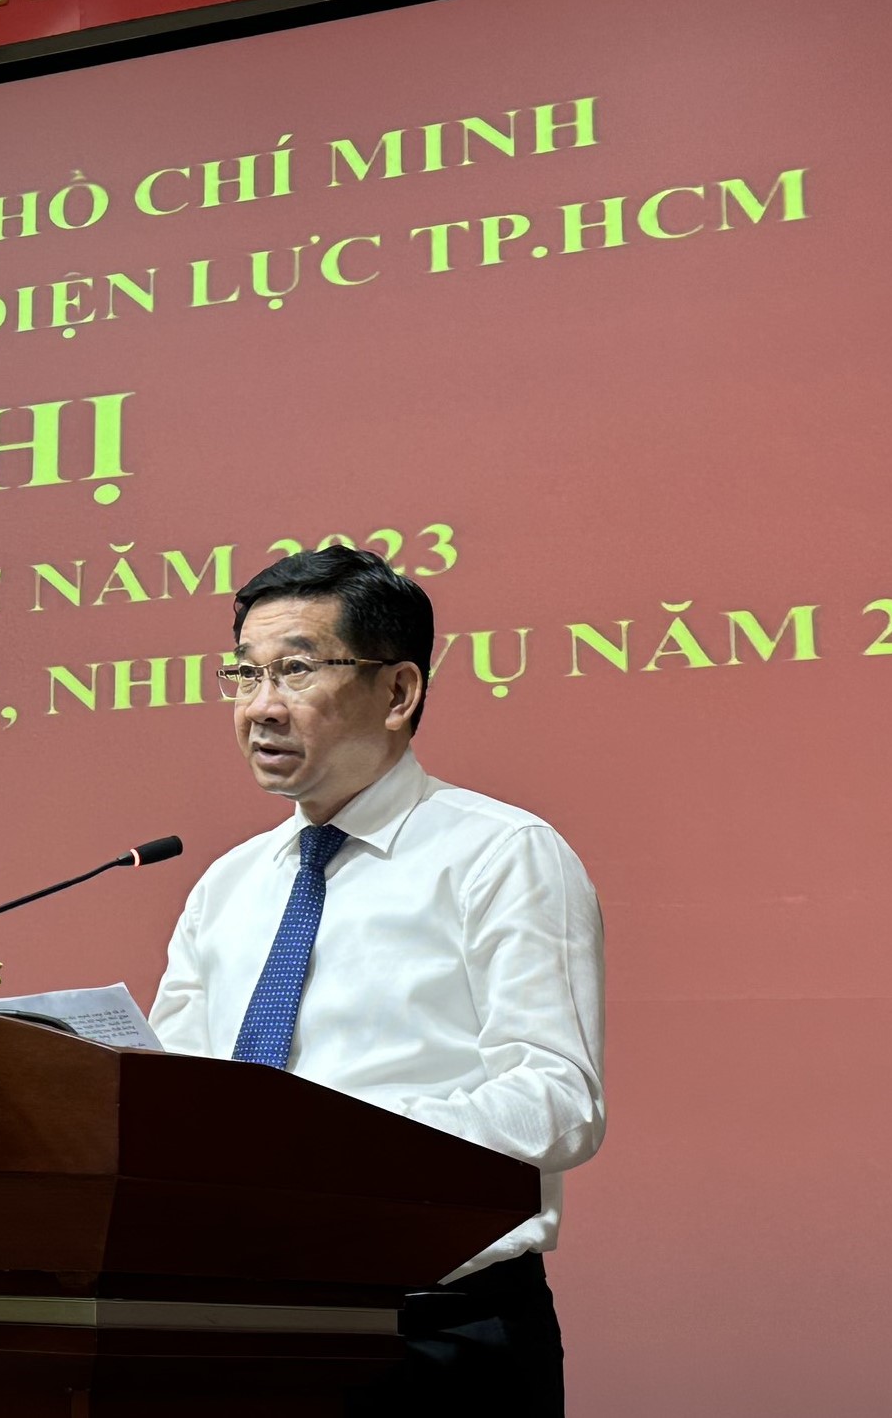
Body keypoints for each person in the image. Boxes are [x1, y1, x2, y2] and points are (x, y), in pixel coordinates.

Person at [149, 546, 606, 1417]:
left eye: (294, 670)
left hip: (433, 1336)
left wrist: (327, 1138)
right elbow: (179, 1097)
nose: (259, 707)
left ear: (397, 692)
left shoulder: (499, 855)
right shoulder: (227, 885)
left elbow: (556, 1101)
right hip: (237, 1327)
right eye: (244, 674)